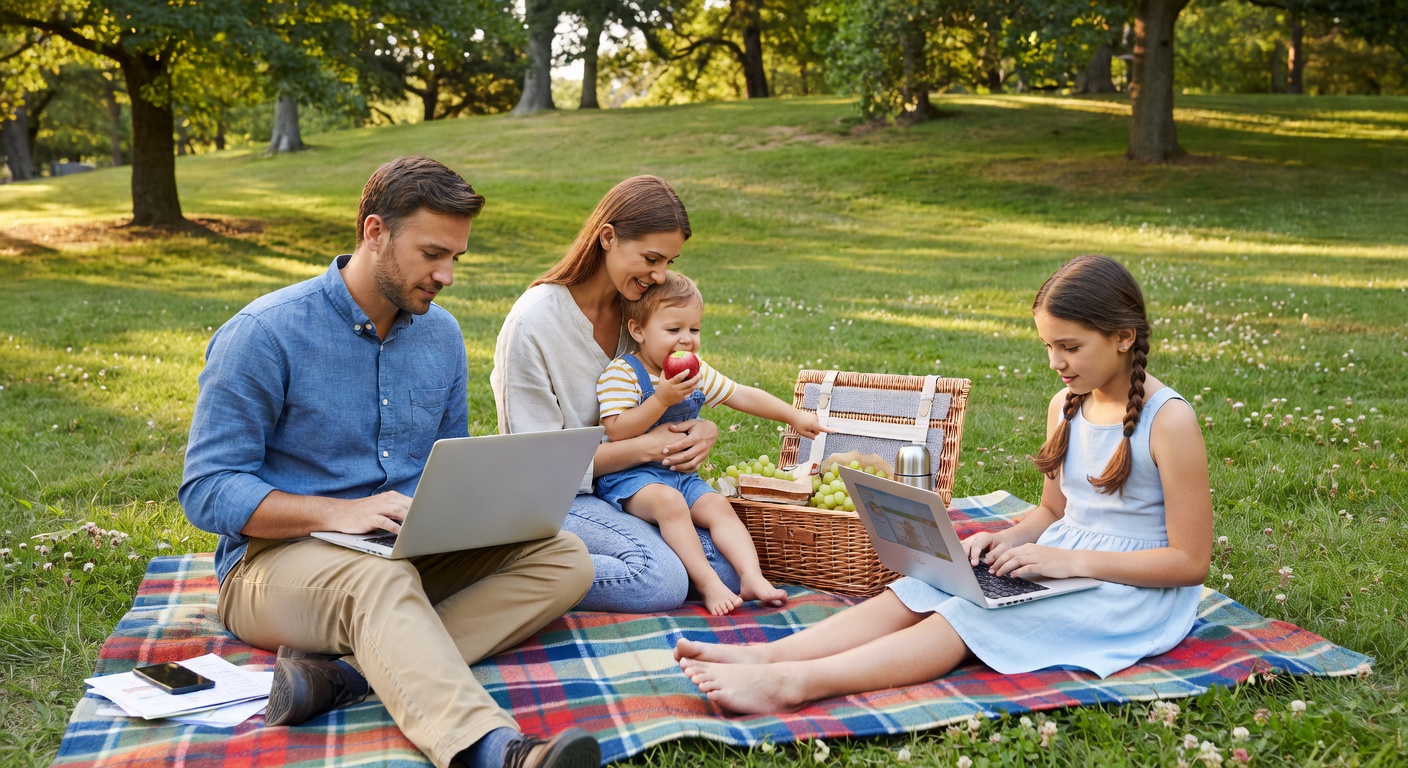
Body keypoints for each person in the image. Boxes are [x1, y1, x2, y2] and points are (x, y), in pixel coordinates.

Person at [180, 157, 600, 768]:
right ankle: (495, 749)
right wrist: (338, 513)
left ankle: (343, 677)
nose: (446, 275)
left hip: (401, 550)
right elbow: (207, 489)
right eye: (432, 253)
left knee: (564, 556)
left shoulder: (442, 336)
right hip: (270, 566)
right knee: (380, 581)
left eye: (455, 257)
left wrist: (477, 512)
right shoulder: (264, 334)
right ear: (374, 232)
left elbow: (445, 465)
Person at [674, 254, 1213, 714]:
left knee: (962, 617)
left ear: (1123, 337)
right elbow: (1053, 513)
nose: (1055, 362)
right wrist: (1003, 539)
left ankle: (793, 684)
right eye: (1048, 346)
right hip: (1064, 565)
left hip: (1132, 593)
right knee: (921, 588)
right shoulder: (1066, 405)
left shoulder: (1168, 420)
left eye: (1069, 347)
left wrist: (1070, 562)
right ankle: (769, 656)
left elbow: (1189, 562)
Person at [491, 175, 741, 613]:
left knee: (724, 568)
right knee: (660, 580)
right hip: (556, 499)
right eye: (651, 258)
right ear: (607, 237)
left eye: (669, 261)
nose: (660, 275)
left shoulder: (642, 312)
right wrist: (648, 448)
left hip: (634, 488)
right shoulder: (534, 323)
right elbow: (537, 466)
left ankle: (565, 566)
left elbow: (672, 398)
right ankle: (501, 567)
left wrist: (703, 428)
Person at [595, 272, 825, 614]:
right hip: (630, 478)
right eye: (673, 329)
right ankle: (707, 583)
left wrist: (793, 415)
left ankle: (751, 576)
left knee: (718, 505)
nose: (686, 339)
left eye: (694, 329)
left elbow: (741, 394)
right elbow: (617, 430)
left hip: (679, 475)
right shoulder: (623, 373)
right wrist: (660, 400)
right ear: (638, 330)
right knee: (670, 503)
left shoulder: (695, 371)